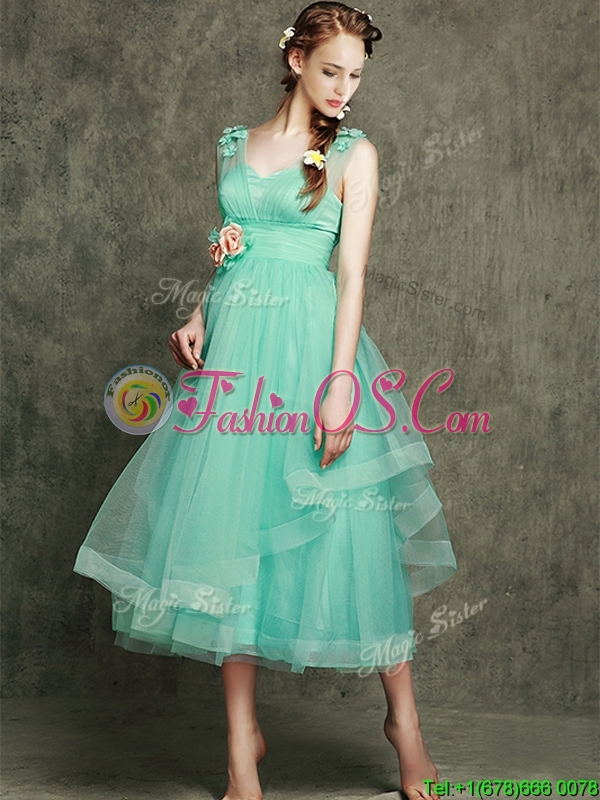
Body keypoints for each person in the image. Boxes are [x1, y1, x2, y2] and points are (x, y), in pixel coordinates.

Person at [73, 3, 457, 799]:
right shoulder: (234, 146)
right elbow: (235, 252)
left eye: (355, 75)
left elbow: (351, 273)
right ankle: (240, 748)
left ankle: (405, 724)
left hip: (313, 353)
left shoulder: (353, 153)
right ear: (295, 60)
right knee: (231, 531)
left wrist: (341, 383)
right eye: (331, 71)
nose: (344, 88)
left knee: (352, 530)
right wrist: (198, 314)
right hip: (238, 356)